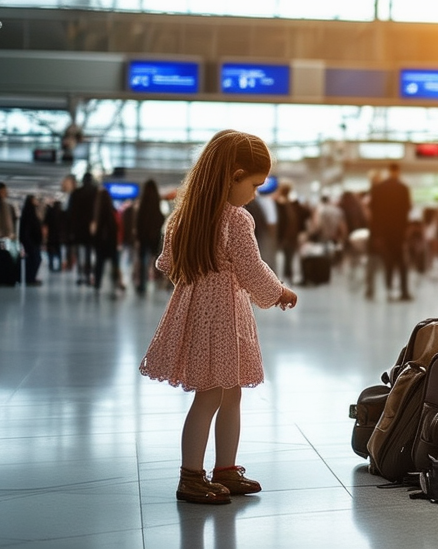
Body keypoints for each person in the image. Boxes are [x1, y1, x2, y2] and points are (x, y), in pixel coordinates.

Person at [139, 130, 298, 505]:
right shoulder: (236, 219)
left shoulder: (185, 215)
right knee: (215, 396)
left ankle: (225, 470)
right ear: (234, 174)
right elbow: (252, 269)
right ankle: (191, 477)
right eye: (254, 185)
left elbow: (167, 263)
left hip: (196, 312)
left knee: (224, 393)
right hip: (225, 317)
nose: (255, 194)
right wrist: (279, 292)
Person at [366, 163, 412, 301]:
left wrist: (376, 234)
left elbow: (374, 213)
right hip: (398, 232)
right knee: (402, 263)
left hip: (382, 233)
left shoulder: (378, 189)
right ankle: (404, 292)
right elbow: (407, 210)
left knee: (388, 262)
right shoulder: (403, 188)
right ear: (398, 171)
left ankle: (389, 289)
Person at [135, 179, 165, 296]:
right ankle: (156, 280)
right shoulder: (156, 201)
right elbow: (160, 217)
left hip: (143, 236)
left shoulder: (143, 201)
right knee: (154, 259)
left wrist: (138, 235)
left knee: (143, 260)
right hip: (154, 236)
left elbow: (138, 220)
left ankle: (142, 285)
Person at [91, 189, 122, 296]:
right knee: (114, 264)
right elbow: (117, 227)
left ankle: (97, 285)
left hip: (100, 242)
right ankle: (114, 285)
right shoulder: (112, 211)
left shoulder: (96, 212)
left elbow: (94, 229)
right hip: (111, 242)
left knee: (99, 263)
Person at [70, 173, 99, 284]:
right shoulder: (95, 192)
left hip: (79, 228)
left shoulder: (76, 193)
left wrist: (72, 229)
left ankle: (80, 275)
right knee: (90, 253)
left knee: (79, 252)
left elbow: (72, 213)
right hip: (92, 228)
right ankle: (89, 275)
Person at [19, 194, 44, 285]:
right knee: (35, 259)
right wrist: (28, 241)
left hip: (33, 241)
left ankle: (31, 278)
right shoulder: (29, 213)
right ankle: (30, 279)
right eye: (34, 200)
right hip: (31, 242)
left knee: (34, 260)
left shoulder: (31, 212)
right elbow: (27, 229)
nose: (36, 201)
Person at [44, 197, 65, 272]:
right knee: (59, 251)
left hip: (51, 235)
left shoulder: (50, 211)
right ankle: (59, 266)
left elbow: (45, 223)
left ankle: (51, 265)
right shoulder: (62, 213)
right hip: (59, 236)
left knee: (51, 251)